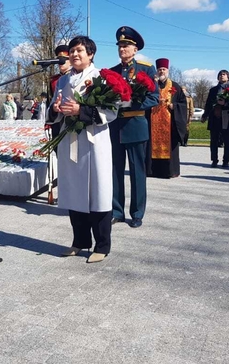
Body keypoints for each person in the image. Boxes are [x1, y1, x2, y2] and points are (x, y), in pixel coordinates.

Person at [47, 36, 117, 263]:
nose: (74, 55)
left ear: (91, 54)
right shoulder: (63, 81)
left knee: (98, 191)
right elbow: (52, 109)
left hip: (94, 141)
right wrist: (56, 109)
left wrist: (81, 111)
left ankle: (102, 245)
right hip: (71, 141)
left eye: (79, 50)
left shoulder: (101, 78)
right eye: (72, 51)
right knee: (74, 190)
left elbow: (111, 111)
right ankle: (80, 241)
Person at [109, 26, 159, 228]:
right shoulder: (112, 72)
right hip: (115, 127)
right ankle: (116, 211)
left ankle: (137, 213)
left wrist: (131, 104)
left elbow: (154, 98)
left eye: (126, 45)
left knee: (137, 173)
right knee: (115, 171)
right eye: (120, 45)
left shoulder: (146, 69)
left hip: (136, 125)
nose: (122, 48)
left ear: (135, 49)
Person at [146, 58, 188, 178]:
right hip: (153, 120)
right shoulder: (151, 84)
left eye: (164, 69)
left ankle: (170, 171)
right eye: (159, 69)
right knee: (151, 146)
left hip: (170, 124)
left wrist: (174, 106)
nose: (161, 72)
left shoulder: (175, 86)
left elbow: (183, 104)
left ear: (167, 70)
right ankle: (152, 171)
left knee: (170, 146)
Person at [202, 70, 229, 168]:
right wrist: (205, 115)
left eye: (224, 75)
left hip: (226, 116)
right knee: (213, 140)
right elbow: (208, 103)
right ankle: (214, 160)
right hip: (214, 117)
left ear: (228, 77)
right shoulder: (213, 89)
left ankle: (226, 160)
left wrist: (225, 104)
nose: (221, 76)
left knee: (227, 140)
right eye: (220, 75)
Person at [49, 44, 72, 140]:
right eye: (59, 60)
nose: (61, 63)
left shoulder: (75, 76)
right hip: (57, 120)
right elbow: (50, 101)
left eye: (64, 59)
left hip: (71, 119)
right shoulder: (54, 80)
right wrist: (48, 122)